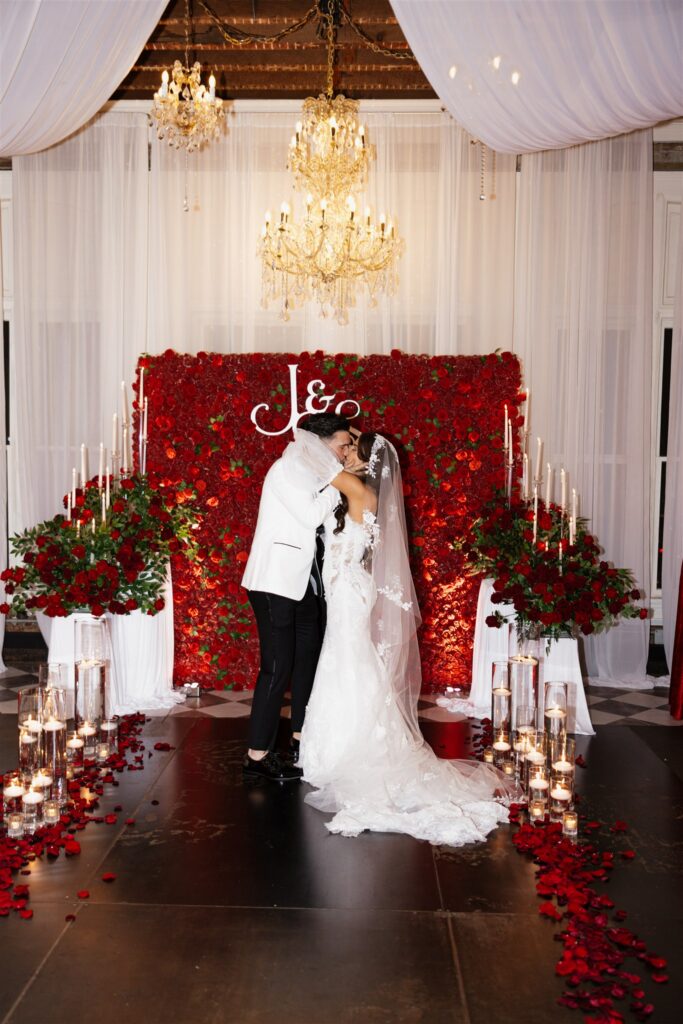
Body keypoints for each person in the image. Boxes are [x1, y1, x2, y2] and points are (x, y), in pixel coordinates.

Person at [297, 432, 518, 845]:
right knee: (346, 659)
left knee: (345, 659)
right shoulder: (356, 491)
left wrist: (315, 437)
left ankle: (346, 746)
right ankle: (341, 740)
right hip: (346, 587)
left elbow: (315, 458)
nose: (342, 453)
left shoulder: (358, 488)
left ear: (365, 464)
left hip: (348, 589)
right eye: (343, 447)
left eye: (349, 449)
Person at [240, 413, 353, 782]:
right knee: (277, 667)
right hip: (275, 581)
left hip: (306, 583)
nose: (345, 451)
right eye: (342, 444)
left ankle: (301, 739)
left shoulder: (313, 471)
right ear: (318, 443)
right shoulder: (288, 469)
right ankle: (257, 756)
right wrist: (338, 487)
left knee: (308, 658)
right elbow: (308, 516)